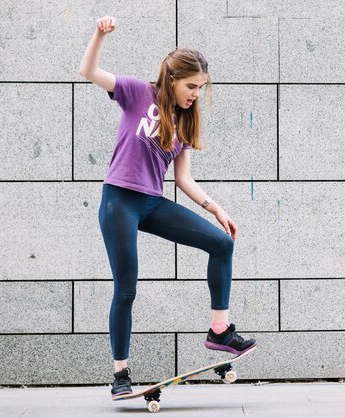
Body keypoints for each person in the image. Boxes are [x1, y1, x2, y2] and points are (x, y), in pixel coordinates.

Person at [78, 15, 257, 397]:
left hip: (153, 202)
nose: (195, 94)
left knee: (222, 242)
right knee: (126, 289)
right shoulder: (135, 92)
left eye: (200, 88)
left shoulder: (185, 120)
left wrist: (217, 209)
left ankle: (220, 332)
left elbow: (183, 179)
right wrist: (99, 34)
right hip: (119, 202)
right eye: (191, 86)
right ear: (172, 79)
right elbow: (88, 70)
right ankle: (121, 373)